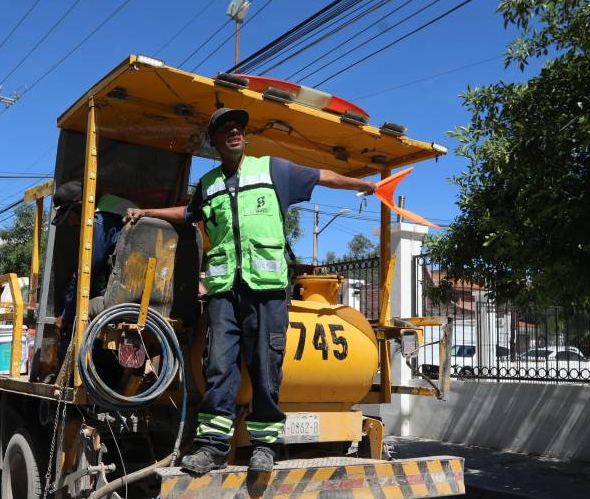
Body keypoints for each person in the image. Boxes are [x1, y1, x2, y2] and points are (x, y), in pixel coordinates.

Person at [126, 107, 376, 474]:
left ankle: (264, 447)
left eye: (238, 127)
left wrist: (363, 185)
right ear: (213, 141)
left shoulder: (272, 169)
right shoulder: (208, 185)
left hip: (267, 289)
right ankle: (212, 447)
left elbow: (322, 176)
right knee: (219, 367)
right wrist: (145, 211)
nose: (234, 132)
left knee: (265, 366)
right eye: (224, 128)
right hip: (224, 291)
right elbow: (188, 213)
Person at [49, 181, 136, 365]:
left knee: (76, 317)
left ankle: (70, 379)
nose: (72, 222)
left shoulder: (99, 221)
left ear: (80, 206)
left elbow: (85, 272)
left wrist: (65, 315)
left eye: (70, 216)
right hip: (145, 295)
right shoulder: (117, 204)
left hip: (124, 299)